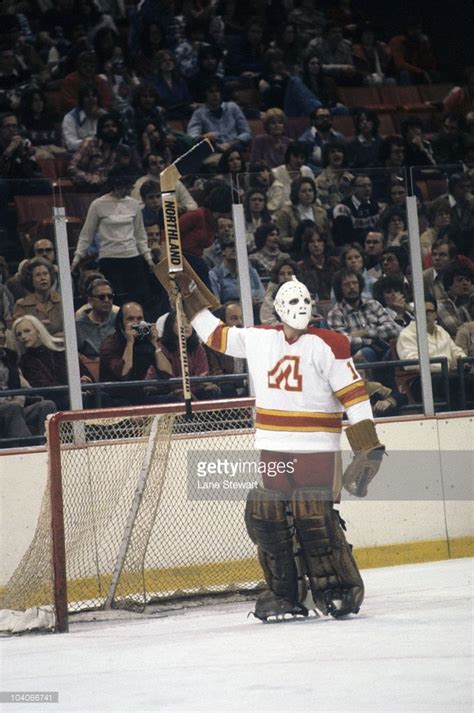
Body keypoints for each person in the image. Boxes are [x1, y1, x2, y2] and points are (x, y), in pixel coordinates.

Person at [158, 267, 384, 621]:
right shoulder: (260, 338)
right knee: (269, 514)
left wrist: (368, 444)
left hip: (317, 448)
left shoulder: (330, 344)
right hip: (273, 446)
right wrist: (189, 296)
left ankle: (336, 587)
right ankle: (286, 592)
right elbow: (215, 335)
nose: (301, 305)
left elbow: (354, 396)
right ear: (278, 308)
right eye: (293, 300)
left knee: (315, 517)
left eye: (306, 299)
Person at [71, 165, 154, 307]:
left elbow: (140, 235)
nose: (129, 191)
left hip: (132, 259)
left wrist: (148, 258)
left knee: (139, 301)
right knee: (115, 302)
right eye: (126, 187)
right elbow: (86, 235)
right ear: (116, 185)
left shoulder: (133, 204)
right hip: (109, 260)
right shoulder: (98, 205)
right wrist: (77, 257)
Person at [99, 301, 176, 404]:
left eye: (139, 319)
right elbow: (124, 373)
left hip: (138, 396)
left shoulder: (146, 341)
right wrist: (130, 343)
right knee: (123, 403)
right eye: (130, 319)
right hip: (113, 398)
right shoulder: (109, 344)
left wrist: (155, 344)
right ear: (121, 323)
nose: (136, 323)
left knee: (175, 400)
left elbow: (167, 373)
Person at [396, 296, 466, 407]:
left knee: (465, 379)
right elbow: (411, 363)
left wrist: (463, 361)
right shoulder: (407, 334)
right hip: (422, 381)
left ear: (435, 314)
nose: (425, 315)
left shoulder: (442, 331)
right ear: (414, 314)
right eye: (421, 311)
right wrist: (445, 365)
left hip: (447, 376)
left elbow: (456, 351)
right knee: (455, 381)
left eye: (429, 312)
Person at [12, 315, 92, 411]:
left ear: (38, 331)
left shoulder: (60, 350)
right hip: (53, 400)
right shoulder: (25, 361)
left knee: (101, 396)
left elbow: (86, 374)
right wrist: (75, 388)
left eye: (27, 331)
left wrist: (85, 381)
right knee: (81, 400)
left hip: (76, 393)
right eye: (19, 334)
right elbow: (44, 388)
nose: (23, 337)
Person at [0, 317, 56, 444]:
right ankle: (31, 450)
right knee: (12, 408)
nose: (2, 335)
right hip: (6, 409)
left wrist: (20, 399)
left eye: (3, 330)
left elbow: (24, 386)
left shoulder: (10, 356)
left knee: (47, 405)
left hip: (15, 407)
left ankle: (46, 447)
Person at [328, 268, 401, 363]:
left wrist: (365, 332)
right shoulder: (335, 313)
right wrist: (373, 340)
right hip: (356, 357)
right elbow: (343, 342)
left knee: (397, 349)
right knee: (367, 352)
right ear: (339, 288)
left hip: (384, 350)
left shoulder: (373, 304)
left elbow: (393, 328)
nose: (352, 287)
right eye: (347, 284)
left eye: (355, 283)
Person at [146, 309, 220, 401]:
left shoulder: (198, 348)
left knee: (212, 390)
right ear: (170, 326)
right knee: (179, 396)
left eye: (188, 321)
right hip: (164, 391)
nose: (186, 325)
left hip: (191, 389)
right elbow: (169, 379)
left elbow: (202, 378)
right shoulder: (161, 347)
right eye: (181, 322)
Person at [186, 77, 252, 153]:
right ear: (205, 94)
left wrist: (229, 144)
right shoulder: (199, 114)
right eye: (211, 92)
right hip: (213, 150)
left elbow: (247, 134)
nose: (215, 95)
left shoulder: (232, 107)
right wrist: (204, 137)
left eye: (218, 91)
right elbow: (191, 138)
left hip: (234, 148)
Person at [75, 278, 117, 379]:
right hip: (91, 374)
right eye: (101, 297)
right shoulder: (78, 325)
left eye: (110, 297)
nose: (107, 300)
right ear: (90, 300)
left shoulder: (119, 320)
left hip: (116, 372)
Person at [275, 176, 330, 250]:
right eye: (304, 191)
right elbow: (280, 239)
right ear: (296, 193)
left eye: (310, 190)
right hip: (295, 252)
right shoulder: (286, 212)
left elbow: (327, 237)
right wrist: (301, 239)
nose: (308, 194)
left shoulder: (321, 212)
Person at [13, 258, 63, 337]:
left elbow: (71, 330)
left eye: (45, 274)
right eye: (38, 275)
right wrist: (38, 328)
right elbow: (20, 335)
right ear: (30, 280)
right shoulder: (22, 305)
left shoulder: (62, 302)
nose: (43, 278)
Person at [209, 236, 264, 307]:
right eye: (231, 246)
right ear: (223, 251)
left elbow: (261, 298)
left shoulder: (252, 272)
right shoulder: (215, 275)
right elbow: (216, 305)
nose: (235, 249)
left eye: (238, 246)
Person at [332, 175, 383, 247]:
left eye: (369, 185)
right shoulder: (342, 208)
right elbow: (341, 238)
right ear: (353, 189)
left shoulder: (377, 206)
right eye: (363, 186)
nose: (367, 189)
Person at [298, 106, 346, 171]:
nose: (325, 119)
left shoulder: (339, 137)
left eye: (327, 117)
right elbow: (304, 164)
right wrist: (325, 172)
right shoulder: (304, 140)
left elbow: (346, 160)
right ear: (313, 120)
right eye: (321, 117)